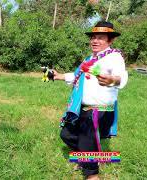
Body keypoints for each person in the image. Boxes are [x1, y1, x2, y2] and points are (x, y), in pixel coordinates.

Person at [53, 21, 128, 180]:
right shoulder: (89, 59)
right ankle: (95, 157)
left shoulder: (114, 57)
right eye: (93, 37)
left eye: (100, 38)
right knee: (66, 134)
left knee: (87, 142)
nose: (95, 41)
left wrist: (112, 80)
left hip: (98, 110)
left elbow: (121, 77)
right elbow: (77, 76)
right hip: (82, 108)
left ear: (110, 40)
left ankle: (92, 174)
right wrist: (58, 76)